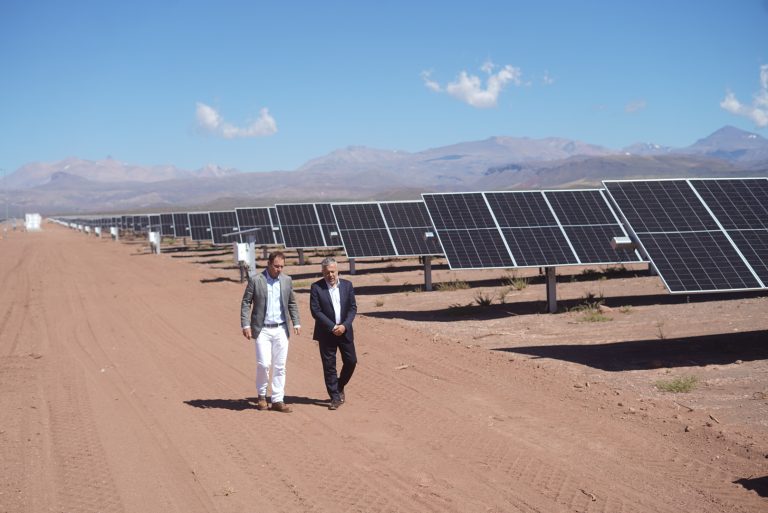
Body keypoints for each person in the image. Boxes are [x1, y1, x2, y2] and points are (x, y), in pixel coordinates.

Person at [240, 251, 301, 413]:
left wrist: (296, 322)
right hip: (262, 330)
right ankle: (261, 396)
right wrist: (245, 325)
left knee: (280, 366)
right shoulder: (256, 280)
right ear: (268, 264)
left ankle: (277, 399)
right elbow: (246, 303)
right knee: (264, 364)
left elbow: (292, 303)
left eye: (282, 266)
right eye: (276, 266)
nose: (279, 269)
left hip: (281, 329)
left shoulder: (287, 280)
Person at [310, 257, 357, 410]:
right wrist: (332, 326)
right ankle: (335, 397)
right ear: (322, 272)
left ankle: (339, 384)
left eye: (333, 272)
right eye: (327, 272)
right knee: (329, 366)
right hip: (326, 333)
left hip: (345, 331)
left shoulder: (347, 286)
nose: (330, 275)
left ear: (338, 271)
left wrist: (344, 326)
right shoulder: (316, 288)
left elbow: (352, 308)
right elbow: (315, 311)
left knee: (351, 361)